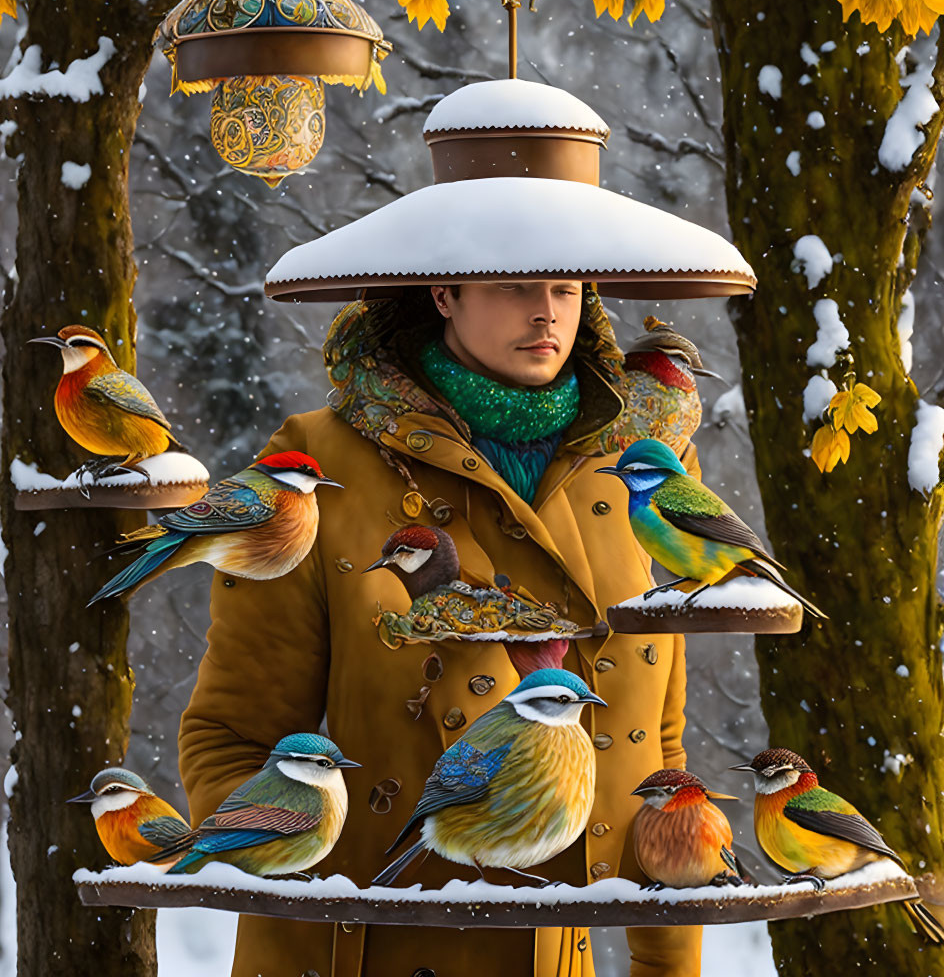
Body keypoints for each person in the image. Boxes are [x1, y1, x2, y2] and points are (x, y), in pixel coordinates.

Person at [179, 281, 703, 977]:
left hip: (558, 950)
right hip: (370, 944)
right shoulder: (321, 465)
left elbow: (657, 745)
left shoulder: (643, 463)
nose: (546, 311)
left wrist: (665, 965)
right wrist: (305, 889)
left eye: (566, 287)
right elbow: (233, 738)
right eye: (515, 285)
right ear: (444, 294)